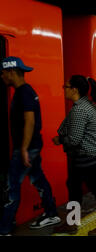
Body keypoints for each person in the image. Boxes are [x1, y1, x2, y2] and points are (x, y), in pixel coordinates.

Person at [0, 57, 60, 235]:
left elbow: (30, 121)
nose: (1, 77)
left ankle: (4, 229)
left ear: (11, 72)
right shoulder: (24, 92)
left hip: (27, 147)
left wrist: (24, 149)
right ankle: (51, 213)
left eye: (2, 73)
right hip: (31, 146)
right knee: (38, 178)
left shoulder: (24, 92)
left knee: (12, 186)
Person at [52, 75, 96, 236]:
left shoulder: (79, 110)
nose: (63, 90)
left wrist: (60, 140)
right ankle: (72, 223)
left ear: (74, 89)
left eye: (65, 87)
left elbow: (74, 140)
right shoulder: (88, 104)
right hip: (91, 154)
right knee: (74, 187)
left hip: (87, 156)